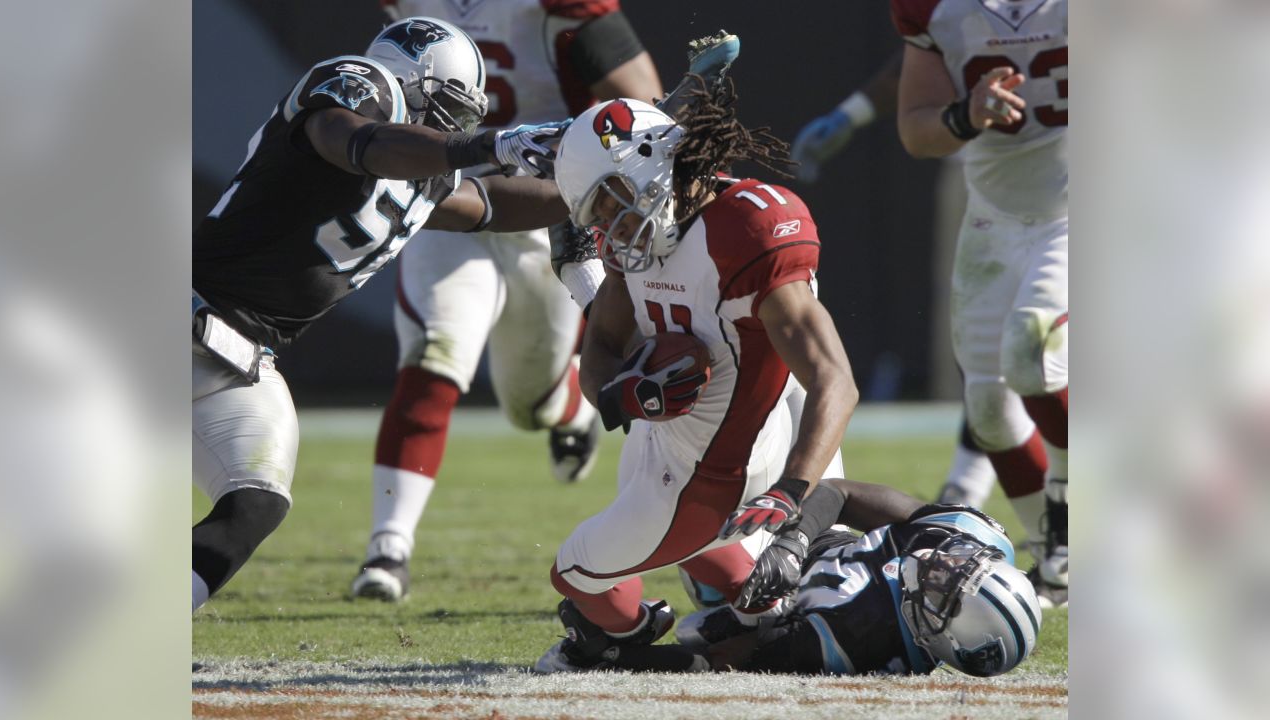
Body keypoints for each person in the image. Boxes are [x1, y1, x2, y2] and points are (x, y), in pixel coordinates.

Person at [191, 16, 575, 615]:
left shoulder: (420, 173)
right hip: (181, 319)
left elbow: (491, 203)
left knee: (258, 501)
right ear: (414, 78)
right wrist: (487, 145)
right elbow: (357, 143)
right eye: (449, 104)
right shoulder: (354, 85)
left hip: (239, 360)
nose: (454, 124)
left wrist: (589, 185)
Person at [534, 83, 860, 673]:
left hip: (722, 471)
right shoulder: (641, 235)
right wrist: (621, 392)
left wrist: (792, 493)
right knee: (693, 548)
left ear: (653, 167)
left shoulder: (748, 233)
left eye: (609, 201)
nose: (608, 224)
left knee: (574, 576)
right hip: (668, 440)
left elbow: (834, 378)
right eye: (596, 213)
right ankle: (764, 610)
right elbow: (604, 346)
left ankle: (637, 641)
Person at [351, 0, 665, 602]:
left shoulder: (557, 10)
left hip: (541, 210)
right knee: (434, 356)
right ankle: (388, 548)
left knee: (531, 406)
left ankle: (568, 409)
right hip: (442, 201)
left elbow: (641, 107)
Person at [890, 0, 1068, 607]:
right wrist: (966, 113)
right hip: (993, 218)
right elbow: (916, 130)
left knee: (1032, 349)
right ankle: (1060, 561)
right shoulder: (935, 10)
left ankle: (1076, 521)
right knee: (989, 408)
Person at [556, 478, 1042, 677]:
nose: (946, 564)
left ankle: (627, 632)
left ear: (939, 635)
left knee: (709, 628)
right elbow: (839, 491)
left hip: (778, 601)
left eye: (948, 589)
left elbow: (722, 664)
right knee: (714, 495)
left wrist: (626, 659)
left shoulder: (859, 643)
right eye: (964, 566)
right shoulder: (965, 535)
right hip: (809, 536)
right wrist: (795, 541)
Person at [791, 51, 999, 510]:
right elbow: (919, 62)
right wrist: (848, 116)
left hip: (1070, 179)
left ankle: (1055, 514)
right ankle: (976, 493)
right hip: (980, 172)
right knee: (985, 345)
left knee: (1042, 346)